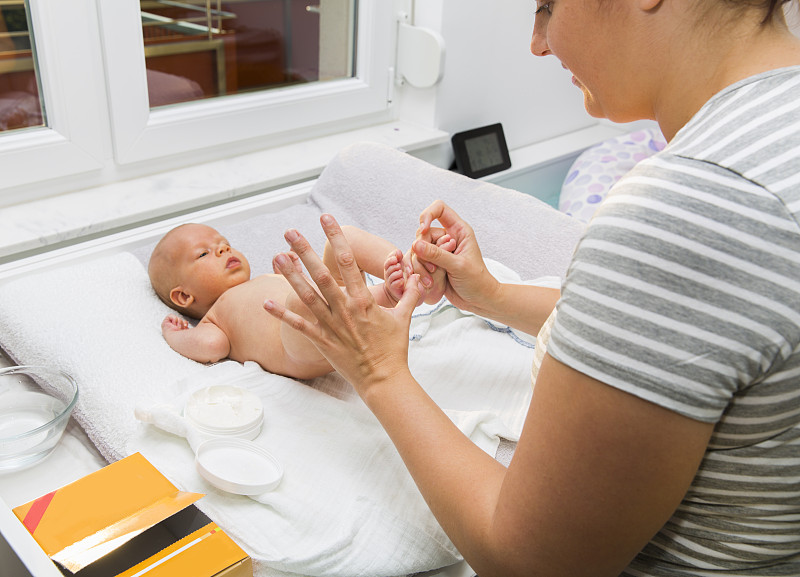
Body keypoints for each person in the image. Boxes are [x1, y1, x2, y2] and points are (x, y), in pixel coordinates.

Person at [263, 1, 800, 575]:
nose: (538, 44)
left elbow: (532, 562)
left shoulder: (687, 212)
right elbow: (676, 343)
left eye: (547, 7)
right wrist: (489, 295)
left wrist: (376, 371)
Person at [148, 222, 453, 379]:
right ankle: (386, 295)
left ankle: (413, 275)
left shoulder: (263, 279)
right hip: (301, 342)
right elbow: (213, 347)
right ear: (184, 296)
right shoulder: (215, 317)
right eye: (204, 253)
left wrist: (295, 275)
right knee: (301, 301)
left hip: (327, 304)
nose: (223, 251)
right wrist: (177, 335)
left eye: (225, 245)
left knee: (343, 239)